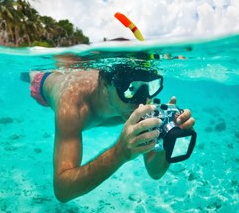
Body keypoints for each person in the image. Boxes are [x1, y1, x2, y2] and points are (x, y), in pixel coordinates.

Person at [29, 63, 196, 202]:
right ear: (104, 82)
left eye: (150, 87)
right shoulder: (73, 104)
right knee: (31, 74)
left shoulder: (140, 100)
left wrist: (166, 141)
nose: (141, 101)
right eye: (130, 89)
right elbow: (62, 190)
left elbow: (155, 172)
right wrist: (119, 153)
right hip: (43, 81)